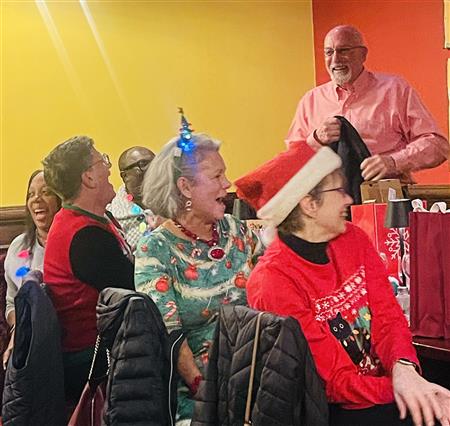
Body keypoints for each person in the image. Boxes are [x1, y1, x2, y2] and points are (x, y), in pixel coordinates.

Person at [235, 141, 450, 426]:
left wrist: (405, 369)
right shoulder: (272, 281)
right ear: (309, 204)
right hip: (332, 409)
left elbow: (388, 318)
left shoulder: (353, 238)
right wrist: (407, 391)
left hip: (383, 389)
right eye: (338, 190)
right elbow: (332, 382)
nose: (348, 199)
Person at [134, 118, 263, 425]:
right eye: (217, 176)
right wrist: (207, 393)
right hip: (199, 395)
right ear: (185, 187)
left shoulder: (237, 231)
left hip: (258, 378)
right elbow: (170, 335)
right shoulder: (155, 249)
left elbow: (271, 289)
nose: (227, 184)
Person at [286, 25, 449, 183]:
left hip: (384, 194)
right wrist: (315, 139)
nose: (335, 59)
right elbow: (290, 163)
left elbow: (437, 146)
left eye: (344, 50)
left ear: (363, 54)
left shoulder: (395, 90)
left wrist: (394, 162)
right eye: (329, 52)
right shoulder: (310, 100)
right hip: (329, 199)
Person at [42, 135, 135, 407]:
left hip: (102, 349)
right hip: (96, 361)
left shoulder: (87, 220)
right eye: (102, 160)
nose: (109, 168)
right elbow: (136, 294)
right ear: (89, 177)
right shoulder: (84, 237)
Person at [2, 170, 61, 369]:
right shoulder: (19, 247)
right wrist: (19, 331)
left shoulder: (72, 243)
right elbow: (11, 302)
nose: (36, 199)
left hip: (67, 341)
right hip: (29, 342)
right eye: (31, 194)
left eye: (45, 192)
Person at [108, 146, 157, 253]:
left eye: (156, 162)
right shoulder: (112, 218)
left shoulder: (173, 201)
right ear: (125, 176)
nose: (153, 169)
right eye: (143, 164)